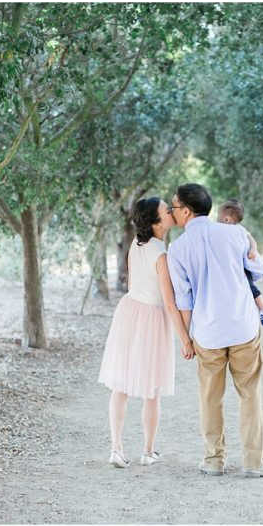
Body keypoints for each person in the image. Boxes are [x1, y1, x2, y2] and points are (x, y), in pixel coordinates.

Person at [167, 183, 263, 478]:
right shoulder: (236, 233)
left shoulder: (177, 249)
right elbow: (258, 272)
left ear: (186, 211)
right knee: (250, 393)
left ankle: (214, 461)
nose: (170, 211)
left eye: (173, 207)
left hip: (207, 332)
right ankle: (254, 463)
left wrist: (186, 338)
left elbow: (184, 299)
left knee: (209, 397)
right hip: (243, 326)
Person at [98, 197, 194, 468]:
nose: (171, 211)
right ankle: (148, 451)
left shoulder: (136, 244)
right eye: (166, 210)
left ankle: (116, 448)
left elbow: (133, 281)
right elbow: (169, 302)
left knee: (122, 385)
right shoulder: (161, 255)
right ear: (156, 223)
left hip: (129, 311)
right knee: (151, 390)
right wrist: (185, 338)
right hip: (151, 317)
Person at [217, 198, 263, 327]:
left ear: (227, 219)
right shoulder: (219, 231)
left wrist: (253, 249)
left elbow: (251, 239)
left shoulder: (239, 229)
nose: (216, 218)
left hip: (244, 265)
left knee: (251, 287)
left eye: (218, 215)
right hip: (234, 265)